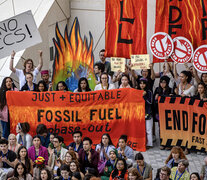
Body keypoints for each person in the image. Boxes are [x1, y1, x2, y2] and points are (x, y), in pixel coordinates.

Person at [137, 78, 153, 147]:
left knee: (148, 130)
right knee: (140, 130)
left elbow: (150, 102)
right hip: (139, 113)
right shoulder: (137, 91)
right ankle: (141, 143)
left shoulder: (149, 92)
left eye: (143, 83)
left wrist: (144, 96)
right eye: (141, 83)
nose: (142, 85)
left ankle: (149, 144)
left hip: (148, 113)